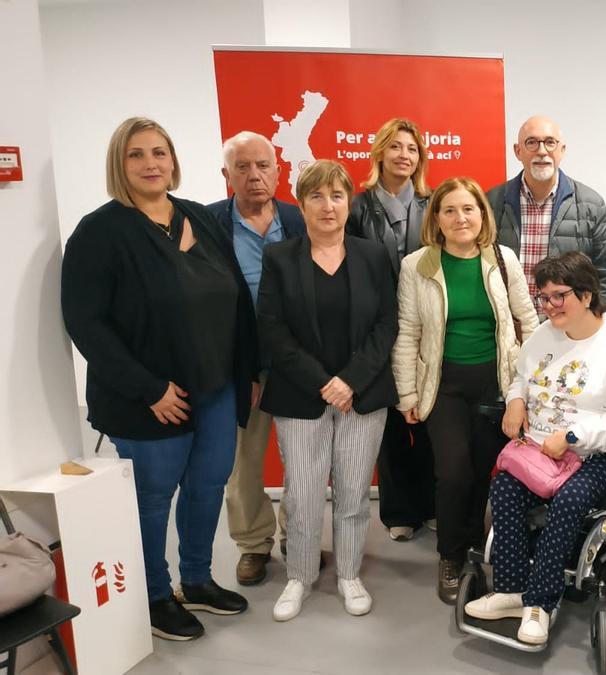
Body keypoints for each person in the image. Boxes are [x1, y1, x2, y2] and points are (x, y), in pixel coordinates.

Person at [61, 117, 258, 641]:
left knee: (208, 486)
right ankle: (152, 595)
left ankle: (196, 580)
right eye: (136, 155)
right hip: (150, 397)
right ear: (118, 165)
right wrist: (149, 388)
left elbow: (236, 295)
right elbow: (86, 322)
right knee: (153, 497)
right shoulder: (99, 232)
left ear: (173, 161)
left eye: (159, 153)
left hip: (216, 386)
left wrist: (247, 370)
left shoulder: (198, 216)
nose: (151, 163)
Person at [464, 252, 606, 645]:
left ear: (587, 293)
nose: (549, 306)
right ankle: (511, 590)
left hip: (604, 454)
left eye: (558, 296)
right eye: (543, 297)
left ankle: (540, 604)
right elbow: (520, 380)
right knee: (506, 489)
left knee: (569, 500)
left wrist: (573, 437)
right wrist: (514, 401)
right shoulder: (543, 335)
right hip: (543, 452)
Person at [257, 160, 398, 621]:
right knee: (301, 492)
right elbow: (273, 331)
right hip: (302, 396)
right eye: (315, 196)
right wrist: (323, 382)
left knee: (355, 492)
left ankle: (349, 574)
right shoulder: (280, 258)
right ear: (301, 204)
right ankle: (298, 575)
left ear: (349, 202)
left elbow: (386, 325)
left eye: (337, 196)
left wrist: (350, 381)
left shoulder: (373, 256)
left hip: (363, 395)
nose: (327, 205)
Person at [393, 176, 539, 604]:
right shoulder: (417, 266)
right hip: (443, 387)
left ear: (482, 215)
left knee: (483, 473)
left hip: (497, 386)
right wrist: (407, 396)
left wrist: (532, 387)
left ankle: (476, 547)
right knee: (453, 472)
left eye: (469, 209)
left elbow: (527, 321)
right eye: (450, 210)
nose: (461, 218)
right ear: (436, 218)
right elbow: (407, 333)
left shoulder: (502, 258)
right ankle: (451, 556)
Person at [208, 131, 306, 586]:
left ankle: (297, 538)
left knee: (301, 460)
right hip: (240, 367)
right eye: (242, 167)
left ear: (279, 170)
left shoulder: (301, 219)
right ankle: (252, 545)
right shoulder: (208, 226)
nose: (254, 176)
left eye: (263, 165)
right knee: (244, 464)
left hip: (296, 364)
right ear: (226, 175)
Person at [345, 118, 436, 542]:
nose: (404, 155)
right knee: (392, 425)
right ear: (379, 152)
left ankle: (433, 504)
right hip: (378, 325)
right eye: (396, 147)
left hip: (426, 325)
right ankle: (399, 510)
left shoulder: (432, 203)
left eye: (412, 149)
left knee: (432, 419)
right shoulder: (357, 206)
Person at [486, 115, 606, 317]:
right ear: (518, 151)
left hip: (568, 329)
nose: (541, 151)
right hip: (510, 329)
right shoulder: (491, 202)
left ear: (562, 150)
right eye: (532, 142)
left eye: (550, 142)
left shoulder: (590, 205)